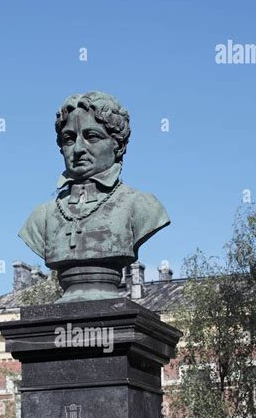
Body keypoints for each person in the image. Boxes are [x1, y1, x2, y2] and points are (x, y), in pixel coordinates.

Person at [19, 90, 170, 302]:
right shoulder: (41, 217)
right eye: (69, 139)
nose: (78, 149)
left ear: (119, 145)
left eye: (92, 137)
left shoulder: (142, 206)